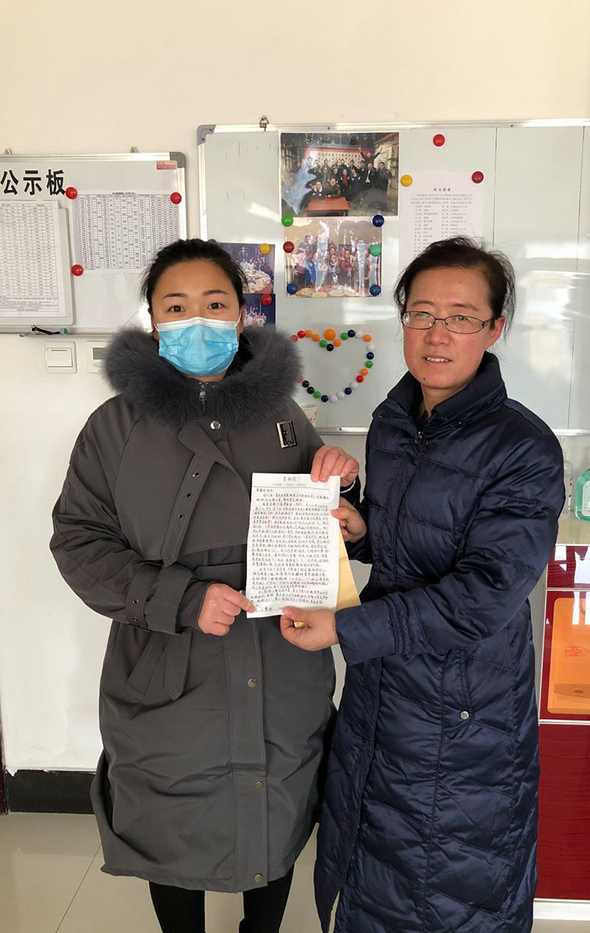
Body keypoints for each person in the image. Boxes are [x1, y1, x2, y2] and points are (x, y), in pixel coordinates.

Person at [50, 238, 359, 933]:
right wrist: (181, 598)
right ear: (153, 320)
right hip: (169, 656)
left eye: (215, 304)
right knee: (169, 808)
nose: (197, 321)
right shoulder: (113, 428)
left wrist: (343, 486)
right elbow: (78, 542)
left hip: (279, 651)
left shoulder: (284, 416)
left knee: (276, 797)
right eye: (176, 307)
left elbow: (322, 520)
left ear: (242, 315)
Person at [280, 237, 565, 933]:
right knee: (369, 867)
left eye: (462, 317)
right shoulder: (394, 420)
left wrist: (345, 628)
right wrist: (357, 526)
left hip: (465, 711)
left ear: (494, 329)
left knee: (449, 887)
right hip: (382, 690)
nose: (438, 334)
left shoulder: (523, 448)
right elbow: (405, 548)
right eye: (423, 313)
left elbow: (482, 596)